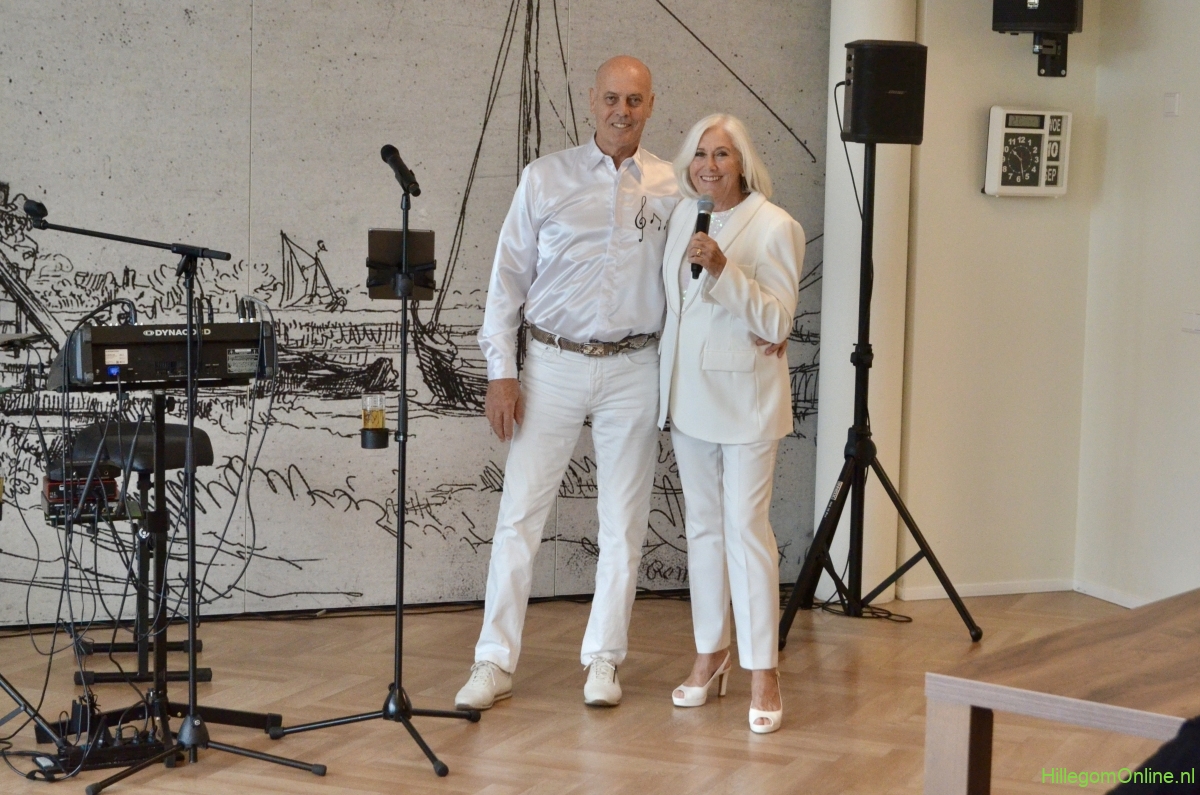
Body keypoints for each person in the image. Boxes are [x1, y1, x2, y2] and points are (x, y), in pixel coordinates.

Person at [455, 56, 679, 710]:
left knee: (623, 525)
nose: (621, 111)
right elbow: (506, 282)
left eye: (634, 100)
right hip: (550, 365)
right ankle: (493, 662)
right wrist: (502, 373)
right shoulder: (544, 177)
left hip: (635, 366)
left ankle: (604, 660)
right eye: (611, 98)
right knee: (519, 518)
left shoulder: (673, 187)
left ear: (650, 105)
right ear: (591, 100)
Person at [657, 113, 804, 734]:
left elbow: (777, 322)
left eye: (722, 154)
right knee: (703, 530)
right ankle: (710, 653)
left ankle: (763, 670)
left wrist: (723, 269)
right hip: (687, 396)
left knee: (746, 531)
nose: (709, 166)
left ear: (742, 163)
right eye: (700, 155)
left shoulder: (775, 225)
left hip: (746, 401)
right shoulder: (681, 217)